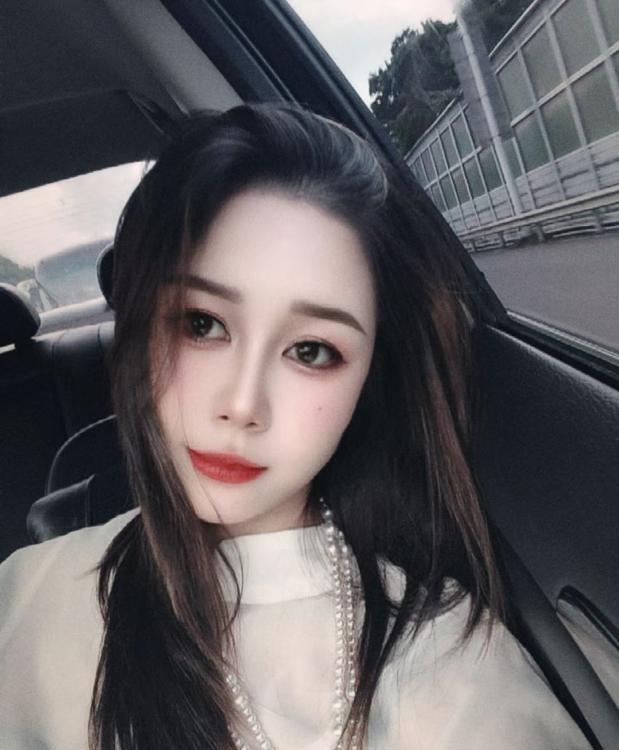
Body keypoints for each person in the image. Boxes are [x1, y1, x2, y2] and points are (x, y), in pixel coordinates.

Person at [0, 103, 591, 750]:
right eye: (202, 323)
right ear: (142, 328)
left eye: (310, 350)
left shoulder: (446, 657)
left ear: (369, 379)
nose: (242, 403)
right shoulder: (28, 602)